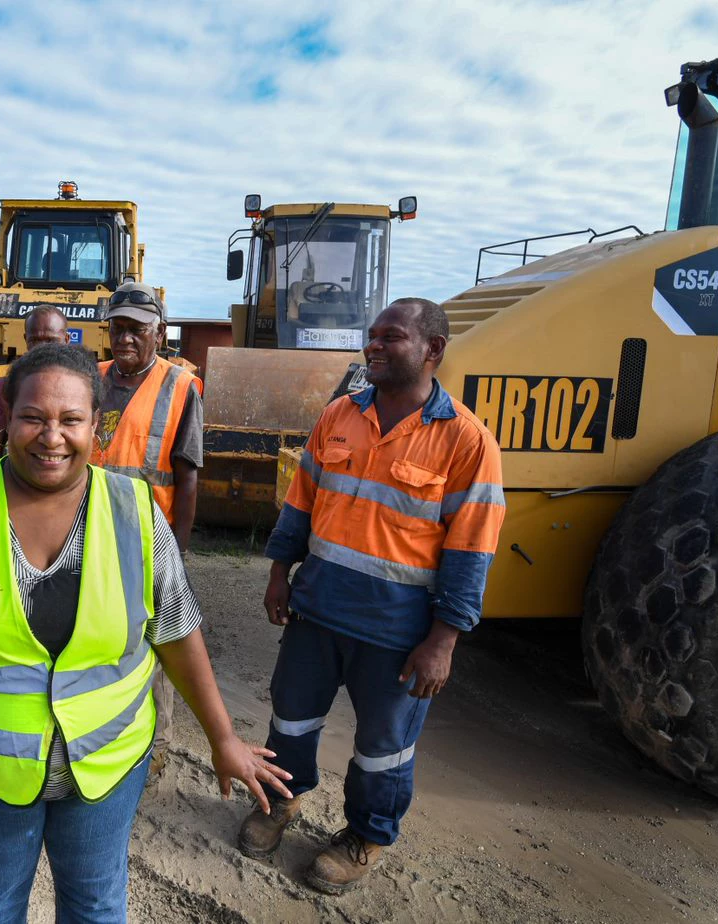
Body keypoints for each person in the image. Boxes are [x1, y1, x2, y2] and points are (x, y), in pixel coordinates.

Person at [0, 344, 290, 921]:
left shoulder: (134, 510)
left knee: (95, 906)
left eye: (71, 420)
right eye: (33, 418)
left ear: (96, 425)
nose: (52, 437)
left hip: (107, 768)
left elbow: (176, 633)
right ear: (5, 417)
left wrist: (223, 739)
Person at [240, 298, 505, 894]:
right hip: (316, 614)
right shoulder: (339, 414)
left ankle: (366, 837)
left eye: (393, 337)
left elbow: (471, 552)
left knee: (383, 750)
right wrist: (281, 571)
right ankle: (282, 803)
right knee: (291, 720)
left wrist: (444, 641)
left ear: (433, 350)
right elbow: (302, 501)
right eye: (373, 336)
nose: (374, 346)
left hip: (396, 634)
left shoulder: (466, 442)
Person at [91, 281, 204, 781]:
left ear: (158, 332)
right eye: (118, 327)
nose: (125, 338)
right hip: (89, 531)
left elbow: (188, 474)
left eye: (137, 329)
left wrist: (176, 549)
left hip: (146, 539)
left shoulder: (180, 386)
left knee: (155, 641)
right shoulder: (91, 377)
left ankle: (154, 744)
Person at [0, 306, 69, 462]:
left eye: (51, 340)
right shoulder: (3, 390)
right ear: (25, 339)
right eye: (35, 341)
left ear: (66, 340)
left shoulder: (81, 391)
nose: (42, 349)